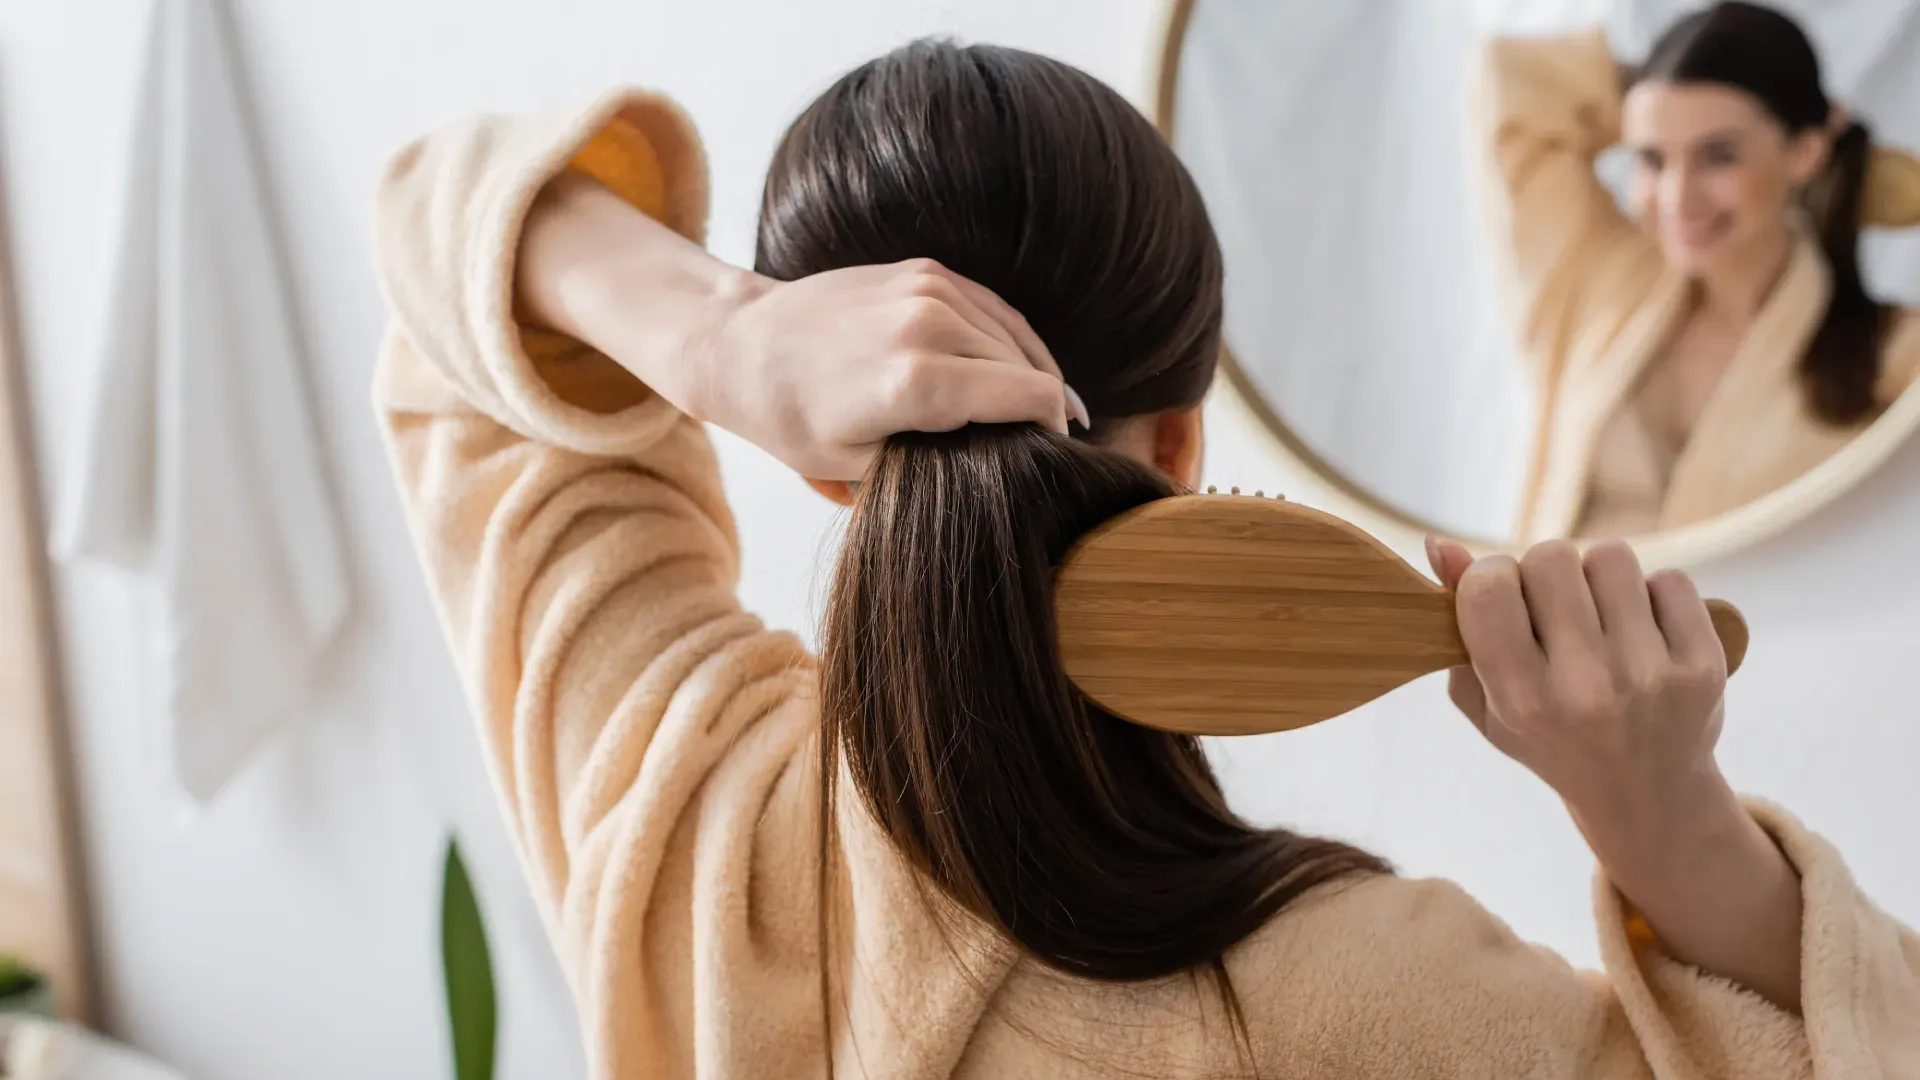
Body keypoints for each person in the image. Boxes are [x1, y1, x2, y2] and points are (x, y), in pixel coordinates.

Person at [371, 38, 1919, 1079]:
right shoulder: (1355, 999)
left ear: (822, 458)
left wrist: (714, 330)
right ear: (1181, 444)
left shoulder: (676, 813)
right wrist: (1671, 826)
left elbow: (450, 283)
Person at [1474, 1, 1920, 541]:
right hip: (1533, 625)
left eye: (1719, 155)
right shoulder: (1592, 279)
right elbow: (1512, 83)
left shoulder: (1894, 353)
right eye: (1652, 159)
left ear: (1804, 151)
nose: (1676, 199)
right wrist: (1657, 83)